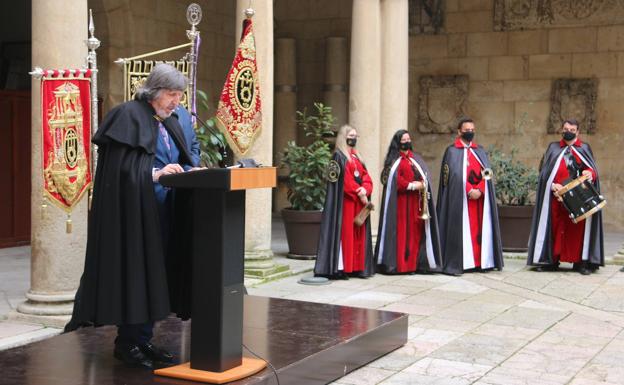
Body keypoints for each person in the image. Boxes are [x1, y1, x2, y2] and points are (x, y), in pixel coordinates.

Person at [65, 64, 200, 369]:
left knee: (156, 276)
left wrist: (192, 171)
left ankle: (143, 339)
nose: (176, 101)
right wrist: (154, 174)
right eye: (171, 94)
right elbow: (119, 170)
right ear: (154, 91)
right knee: (136, 275)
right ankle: (127, 344)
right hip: (135, 216)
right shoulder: (127, 115)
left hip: (167, 212)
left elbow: (182, 157)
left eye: (179, 95)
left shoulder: (169, 120)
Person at [527, 119, 604, 274]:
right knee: (555, 228)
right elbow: (544, 172)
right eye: (565, 128)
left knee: (577, 230)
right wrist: (553, 184)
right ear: (561, 130)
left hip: (578, 197)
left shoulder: (584, 148)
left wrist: (590, 173)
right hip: (556, 197)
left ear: (577, 132)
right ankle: (551, 261)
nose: (568, 131)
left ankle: (580, 263)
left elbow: (592, 170)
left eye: (572, 129)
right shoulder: (553, 148)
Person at [437, 118, 504, 275]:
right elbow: (452, 177)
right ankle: (463, 262)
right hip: (460, 200)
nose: (470, 132)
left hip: (479, 201)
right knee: (464, 231)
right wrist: (468, 190)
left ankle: (480, 262)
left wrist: (480, 189)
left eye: (472, 130)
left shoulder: (479, 150)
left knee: (479, 231)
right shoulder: (452, 151)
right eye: (466, 130)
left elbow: (487, 172)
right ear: (459, 132)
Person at [376, 130, 442, 274]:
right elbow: (395, 181)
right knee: (401, 233)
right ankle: (401, 265)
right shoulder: (394, 161)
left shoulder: (415, 159)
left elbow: (424, 176)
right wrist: (412, 185)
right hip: (400, 204)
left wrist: (423, 183)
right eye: (404, 140)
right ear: (398, 142)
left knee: (415, 234)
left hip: (415, 204)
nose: (407, 142)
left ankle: (412, 265)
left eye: (409, 139)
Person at [315, 125, 375, 279]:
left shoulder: (357, 157)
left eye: (356, 135)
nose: (354, 138)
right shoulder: (339, 157)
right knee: (346, 236)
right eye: (351, 135)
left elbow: (366, 177)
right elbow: (345, 183)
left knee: (357, 235)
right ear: (344, 137)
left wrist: (365, 189)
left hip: (358, 203)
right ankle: (343, 268)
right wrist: (359, 193)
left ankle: (356, 267)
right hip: (346, 204)